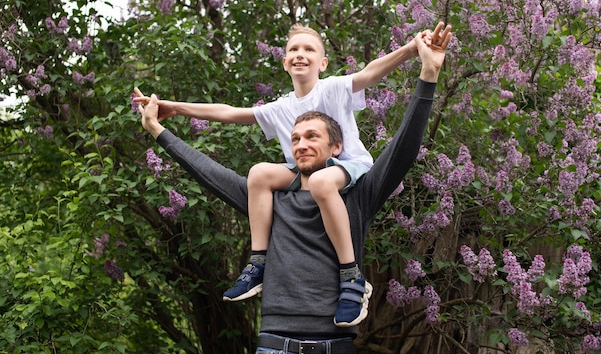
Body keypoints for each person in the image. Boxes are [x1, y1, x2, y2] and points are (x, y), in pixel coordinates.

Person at [137, 22, 452, 353]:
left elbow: (376, 85)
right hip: (274, 342)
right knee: (260, 172)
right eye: (295, 139)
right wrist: (169, 114)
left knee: (320, 181)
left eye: (312, 136)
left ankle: (352, 277)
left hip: (347, 174)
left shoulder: (352, 183)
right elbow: (228, 115)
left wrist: (417, 58)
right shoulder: (278, 174)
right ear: (285, 61)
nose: (301, 143)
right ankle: (257, 262)